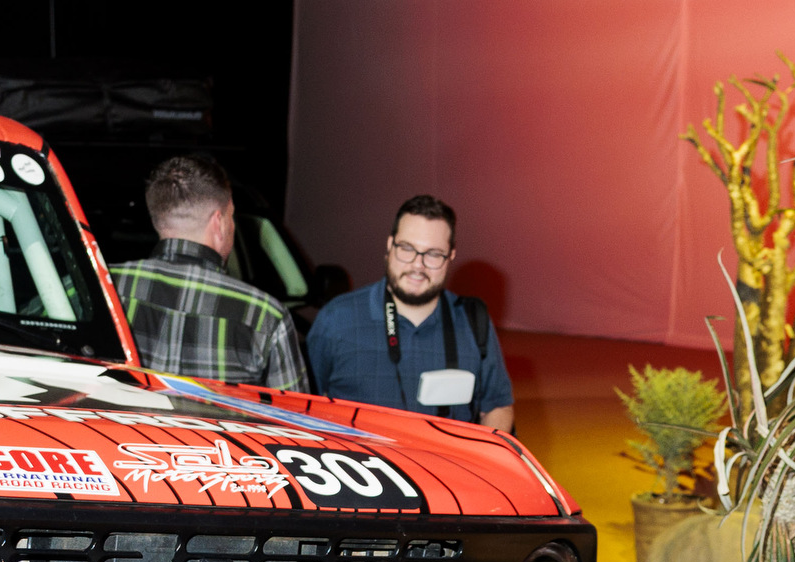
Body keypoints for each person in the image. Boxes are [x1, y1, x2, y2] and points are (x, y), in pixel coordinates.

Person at [304, 194, 514, 432]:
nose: (417, 265)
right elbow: (300, 407)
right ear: (389, 245)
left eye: (433, 254)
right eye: (407, 248)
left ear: (451, 256)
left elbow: (498, 407)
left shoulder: (473, 321)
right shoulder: (337, 319)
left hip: (442, 468)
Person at [109, 154, 310, 391]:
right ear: (219, 222)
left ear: (158, 220)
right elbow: (292, 421)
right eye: (231, 215)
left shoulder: (101, 287)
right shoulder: (265, 316)